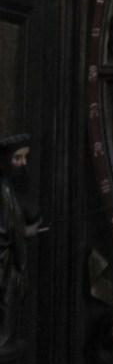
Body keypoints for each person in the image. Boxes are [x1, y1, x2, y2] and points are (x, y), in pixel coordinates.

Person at [0, 133, 41, 349]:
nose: (23, 163)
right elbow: (7, 228)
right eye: (18, 158)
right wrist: (24, 232)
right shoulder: (3, 189)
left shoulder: (7, 187)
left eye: (25, 157)